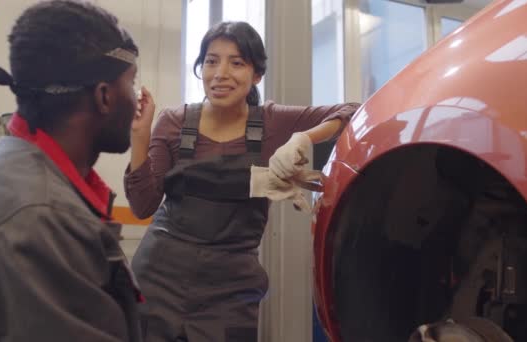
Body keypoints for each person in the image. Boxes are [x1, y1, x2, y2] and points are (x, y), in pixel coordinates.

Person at [0, 1, 150, 341]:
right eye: (131, 84)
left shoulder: (23, 175)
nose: (135, 99)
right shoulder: (38, 216)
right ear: (104, 96)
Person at [125, 21, 360, 341]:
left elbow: (354, 111)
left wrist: (304, 139)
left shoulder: (272, 121)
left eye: (236, 62)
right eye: (211, 61)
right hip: (158, 280)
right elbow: (143, 205)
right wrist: (140, 136)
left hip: (230, 292)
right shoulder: (175, 121)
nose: (220, 73)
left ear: (256, 75)